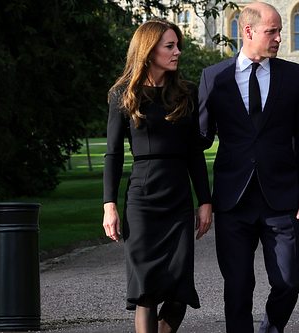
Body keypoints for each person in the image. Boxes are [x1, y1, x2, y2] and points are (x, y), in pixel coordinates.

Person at [197, 2, 299, 333]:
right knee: (237, 289)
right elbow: (200, 142)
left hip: (282, 200)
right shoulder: (214, 78)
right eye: (273, 31)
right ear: (248, 31)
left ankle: (268, 329)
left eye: (280, 31)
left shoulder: (294, 76)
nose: (280, 37)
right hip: (233, 201)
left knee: (289, 281)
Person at [102, 18, 212, 333]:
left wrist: (205, 200)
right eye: (170, 46)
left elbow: (194, 152)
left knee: (179, 292)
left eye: (178, 45)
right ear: (149, 50)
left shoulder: (187, 92)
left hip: (177, 199)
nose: (177, 52)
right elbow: (113, 154)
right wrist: (109, 204)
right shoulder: (123, 93)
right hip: (142, 201)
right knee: (146, 291)